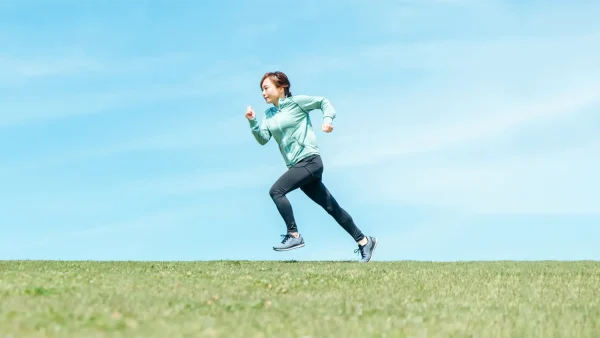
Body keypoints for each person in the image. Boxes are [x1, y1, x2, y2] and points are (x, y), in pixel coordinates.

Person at [245, 71, 378, 263]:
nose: (263, 93)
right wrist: (252, 122)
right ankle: (364, 241)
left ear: (281, 87)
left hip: (310, 161)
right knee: (332, 207)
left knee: (276, 191)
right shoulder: (269, 114)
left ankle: (294, 235)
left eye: (266, 88)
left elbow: (323, 102)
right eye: (262, 90)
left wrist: (327, 120)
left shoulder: (296, 102)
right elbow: (263, 139)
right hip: (297, 167)